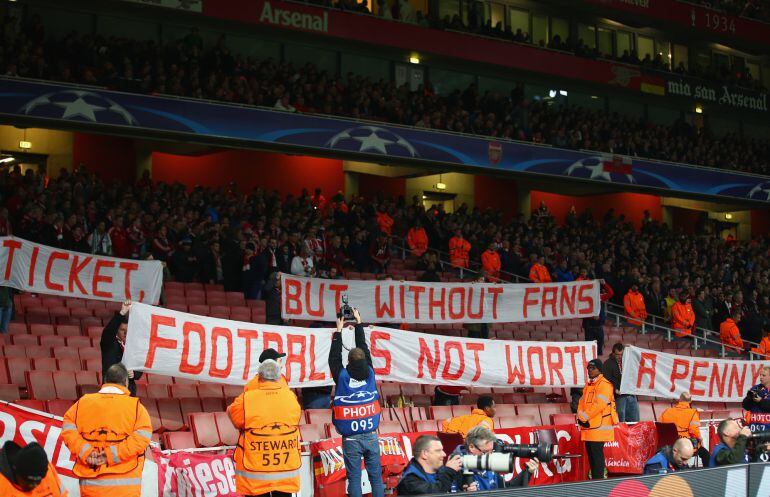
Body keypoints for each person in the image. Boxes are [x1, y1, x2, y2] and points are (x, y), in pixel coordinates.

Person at [61, 363, 152, 497]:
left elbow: (68, 430)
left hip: (91, 487)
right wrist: (109, 455)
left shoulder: (82, 403)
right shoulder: (137, 408)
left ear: (104, 381)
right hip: (126, 489)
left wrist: (86, 452)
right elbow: (141, 439)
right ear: (126, 382)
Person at [227, 353, 301, 497]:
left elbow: (234, 416)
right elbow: (295, 419)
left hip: (256, 471)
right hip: (285, 470)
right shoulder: (291, 397)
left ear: (259, 376)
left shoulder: (247, 398)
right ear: (279, 376)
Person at [329, 308, 384, 497]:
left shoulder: (341, 375)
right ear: (363, 360)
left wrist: (338, 331)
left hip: (351, 438)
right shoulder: (370, 372)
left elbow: (333, 358)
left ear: (349, 362)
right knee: (376, 478)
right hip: (370, 434)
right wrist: (359, 323)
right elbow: (364, 347)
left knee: (354, 478)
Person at [450, 426, 538, 489]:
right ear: (471, 447)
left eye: (491, 451)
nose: (490, 455)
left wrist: (528, 472)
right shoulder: (455, 467)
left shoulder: (488, 462)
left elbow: (506, 488)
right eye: (486, 452)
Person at [577, 358, 618, 480]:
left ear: (600, 370)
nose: (589, 370)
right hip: (589, 427)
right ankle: (595, 484)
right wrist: (580, 415)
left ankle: (599, 485)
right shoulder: (588, 385)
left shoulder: (605, 385)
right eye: (588, 368)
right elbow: (581, 402)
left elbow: (599, 404)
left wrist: (583, 417)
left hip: (598, 429)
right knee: (592, 459)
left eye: (592, 368)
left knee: (597, 458)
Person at [396, 435, 463, 495]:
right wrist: (449, 472)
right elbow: (434, 493)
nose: (444, 454)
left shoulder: (441, 472)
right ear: (424, 454)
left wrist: (465, 489)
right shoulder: (409, 481)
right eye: (438, 451)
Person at [100, 301, 142, 396]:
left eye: (127, 330)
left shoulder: (132, 346)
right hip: (111, 391)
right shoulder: (109, 343)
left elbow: (140, 365)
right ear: (116, 330)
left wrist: (134, 373)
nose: (125, 333)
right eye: (122, 330)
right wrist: (122, 313)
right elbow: (108, 332)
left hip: (129, 393)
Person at [659, 392, 709, 467]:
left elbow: (660, 427)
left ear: (679, 400)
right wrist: (700, 438)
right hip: (686, 444)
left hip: (669, 445)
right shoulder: (693, 413)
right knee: (705, 454)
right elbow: (694, 431)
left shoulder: (667, 411)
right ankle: (707, 473)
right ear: (690, 401)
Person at [0, 440, 65, 496]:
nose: (34, 485)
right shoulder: (2, 484)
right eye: (28, 481)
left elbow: (61, 494)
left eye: (38, 481)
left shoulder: (45, 470)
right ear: (16, 471)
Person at [602, 343, 638, 423]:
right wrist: (615, 390)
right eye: (617, 355)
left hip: (630, 394)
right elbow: (606, 381)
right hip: (618, 396)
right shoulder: (608, 364)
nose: (620, 357)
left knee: (635, 420)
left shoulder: (627, 361)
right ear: (613, 353)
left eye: (622, 354)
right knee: (620, 420)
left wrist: (632, 348)